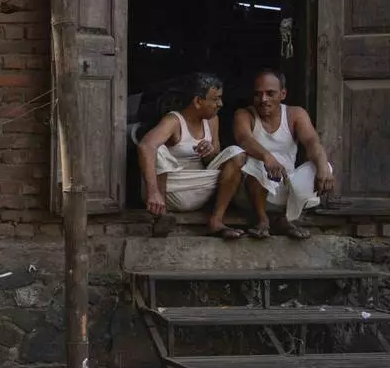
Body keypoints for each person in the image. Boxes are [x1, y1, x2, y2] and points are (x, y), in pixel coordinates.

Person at [212, 70, 334, 240]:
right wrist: (267, 157)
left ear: (283, 94)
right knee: (252, 162)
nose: (263, 99)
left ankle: (287, 218)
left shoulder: (295, 114)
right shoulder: (244, 114)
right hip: (250, 193)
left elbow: (312, 142)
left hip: (284, 190)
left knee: (322, 165)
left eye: (270, 93)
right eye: (258, 94)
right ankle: (263, 220)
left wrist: (323, 167)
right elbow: (244, 139)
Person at [137, 73, 245, 238]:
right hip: (172, 190)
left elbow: (214, 157)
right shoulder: (173, 120)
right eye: (215, 99)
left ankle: (216, 220)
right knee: (157, 149)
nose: (220, 104)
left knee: (236, 153)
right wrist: (153, 192)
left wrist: (210, 150)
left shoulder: (212, 119)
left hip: (200, 187)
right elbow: (145, 146)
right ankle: (161, 216)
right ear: (197, 101)